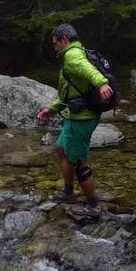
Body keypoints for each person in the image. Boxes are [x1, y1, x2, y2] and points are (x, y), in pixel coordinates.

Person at [37, 23, 114, 217]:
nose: (54, 47)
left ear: (64, 40)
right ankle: (69, 192)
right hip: (75, 115)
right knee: (61, 148)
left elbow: (88, 71)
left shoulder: (72, 56)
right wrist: (51, 109)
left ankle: (92, 204)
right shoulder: (75, 53)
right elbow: (68, 93)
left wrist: (102, 83)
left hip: (82, 118)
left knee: (79, 161)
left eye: (55, 43)